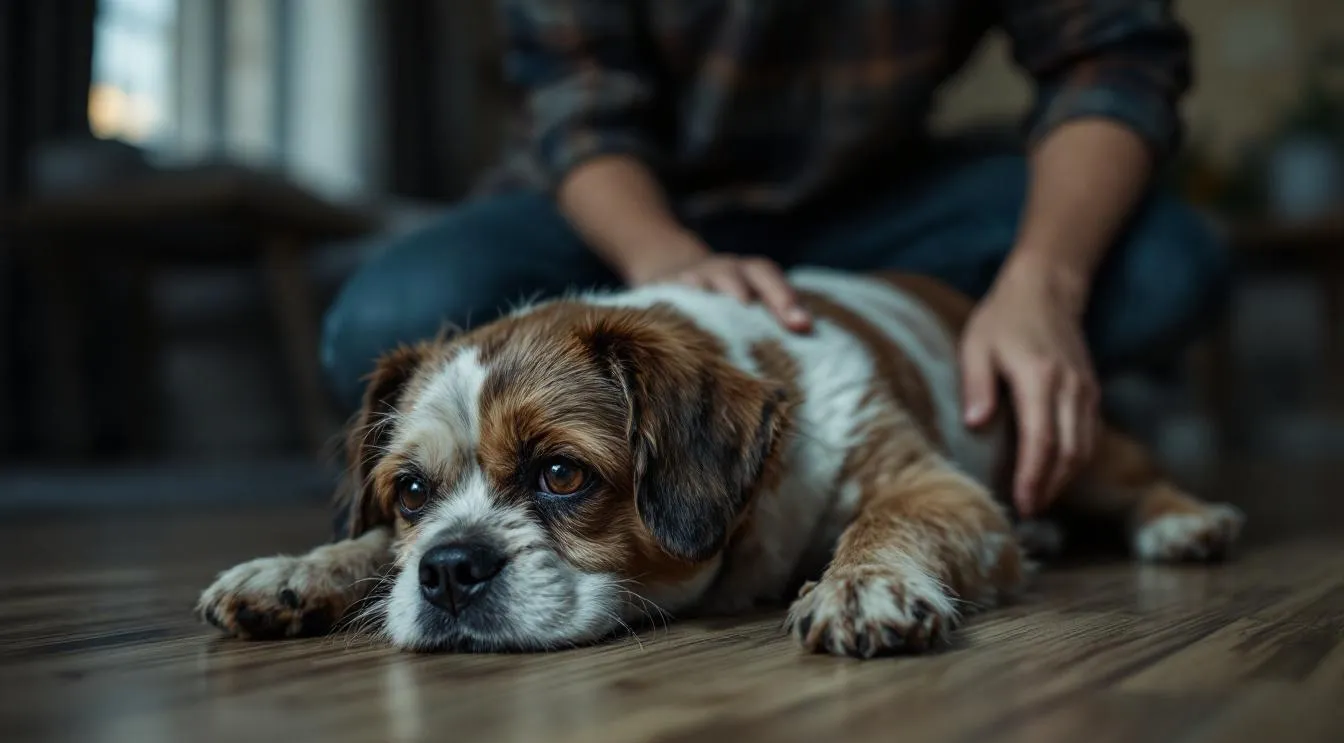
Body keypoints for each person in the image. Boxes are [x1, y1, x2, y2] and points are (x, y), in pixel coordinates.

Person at [321, 0, 1228, 517]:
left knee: (1164, 264)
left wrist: (1044, 284)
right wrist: (662, 256)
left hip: (883, 197)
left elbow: (1112, 56)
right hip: (627, 202)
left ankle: (1019, 423)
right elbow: (577, 101)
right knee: (383, 316)